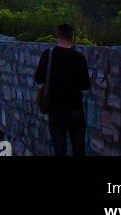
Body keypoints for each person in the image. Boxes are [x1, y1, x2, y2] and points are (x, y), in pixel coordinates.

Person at [34, 23, 91, 157]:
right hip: (75, 110)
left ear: (58, 36)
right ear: (72, 37)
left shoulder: (48, 55)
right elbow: (86, 86)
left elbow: (38, 79)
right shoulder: (79, 58)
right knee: (79, 150)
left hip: (55, 110)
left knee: (59, 150)